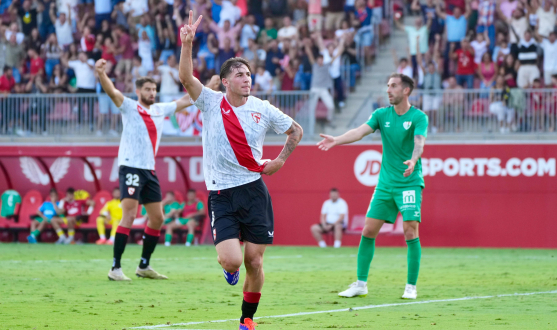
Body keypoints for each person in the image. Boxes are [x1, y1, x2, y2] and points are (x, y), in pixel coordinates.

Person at [178, 11, 303, 330]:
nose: (247, 78)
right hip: (221, 193)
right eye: (240, 74)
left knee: (255, 261)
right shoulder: (209, 102)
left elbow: (296, 131)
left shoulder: (263, 108)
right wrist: (187, 45)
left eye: (249, 74)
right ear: (225, 81)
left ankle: (247, 320)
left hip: (254, 190)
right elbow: (186, 78)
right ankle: (229, 270)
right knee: (233, 261)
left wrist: (280, 161)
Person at [318, 73, 427, 300]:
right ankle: (360, 284)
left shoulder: (418, 117)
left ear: (406, 90)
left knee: (410, 231)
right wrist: (337, 139)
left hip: (409, 183)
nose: (388, 90)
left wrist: (414, 159)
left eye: (394, 86)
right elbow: (359, 132)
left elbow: (419, 143)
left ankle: (411, 287)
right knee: (368, 230)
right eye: (387, 85)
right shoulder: (381, 114)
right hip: (385, 184)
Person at [94, 57, 193, 281]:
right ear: (138, 91)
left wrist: (211, 87)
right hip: (130, 167)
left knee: (157, 218)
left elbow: (187, 100)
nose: (152, 92)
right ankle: (115, 268)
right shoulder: (130, 106)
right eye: (147, 89)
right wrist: (101, 74)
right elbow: (113, 93)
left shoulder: (159, 108)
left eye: (154, 89)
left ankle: (143, 266)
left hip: (149, 170)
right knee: (129, 215)